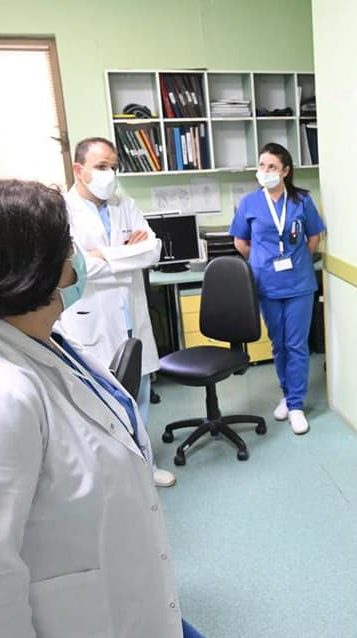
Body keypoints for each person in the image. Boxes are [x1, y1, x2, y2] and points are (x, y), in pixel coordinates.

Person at [0, 179, 204, 638]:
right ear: (37, 266)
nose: (78, 256)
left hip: (126, 585)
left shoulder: (50, 341)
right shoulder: (8, 394)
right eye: (68, 245)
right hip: (81, 615)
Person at [58, 137, 175, 488]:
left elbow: (151, 251)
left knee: (139, 397)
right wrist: (123, 254)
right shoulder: (63, 211)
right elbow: (77, 267)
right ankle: (113, 476)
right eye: (101, 167)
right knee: (99, 403)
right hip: (91, 321)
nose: (109, 174)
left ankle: (145, 467)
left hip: (130, 318)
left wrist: (102, 255)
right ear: (79, 170)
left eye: (113, 166)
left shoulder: (125, 203)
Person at [230, 142, 325, 435]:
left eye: (272, 166)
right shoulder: (249, 202)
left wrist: (298, 261)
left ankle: (296, 404)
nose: (265, 171)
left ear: (285, 171)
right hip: (266, 284)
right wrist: (262, 262)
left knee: (296, 344)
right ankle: (287, 393)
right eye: (262, 165)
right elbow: (240, 242)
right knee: (278, 343)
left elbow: (314, 237)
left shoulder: (302, 200)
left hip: (299, 284)